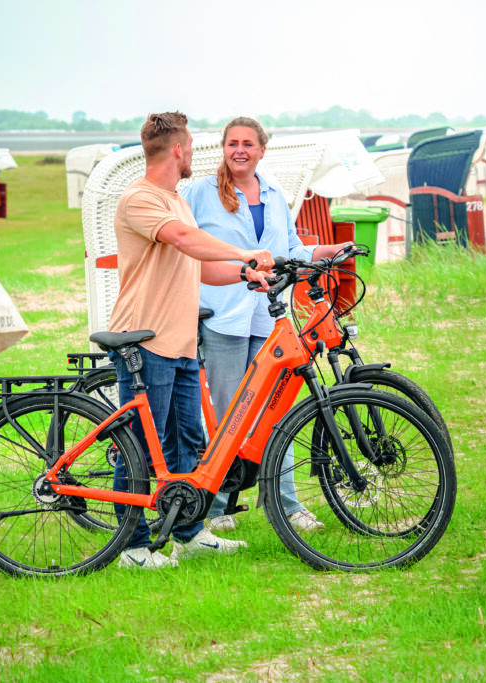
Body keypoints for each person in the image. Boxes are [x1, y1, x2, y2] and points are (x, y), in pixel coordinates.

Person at [108, 112, 275, 570]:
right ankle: (132, 548)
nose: (193, 155)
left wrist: (245, 273)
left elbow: (196, 265)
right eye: (192, 147)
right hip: (145, 340)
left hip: (181, 341)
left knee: (186, 442)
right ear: (178, 149)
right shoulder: (140, 198)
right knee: (141, 447)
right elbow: (183, 239)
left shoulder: (176, 201)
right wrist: (243, 250)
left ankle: (189, 533)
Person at [182, 116, 352, 533]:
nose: (239, 150)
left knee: (278, 411)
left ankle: (287, 505)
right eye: (232, 143)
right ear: (223, 148)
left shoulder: (274, 194)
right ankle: (217, 506)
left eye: (247, 144)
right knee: (230, 414)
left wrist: (333, 250)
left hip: (267, 315)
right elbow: (188, 248)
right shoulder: (200, 193)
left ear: (262, 149)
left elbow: (291, 249)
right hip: (222, 315)